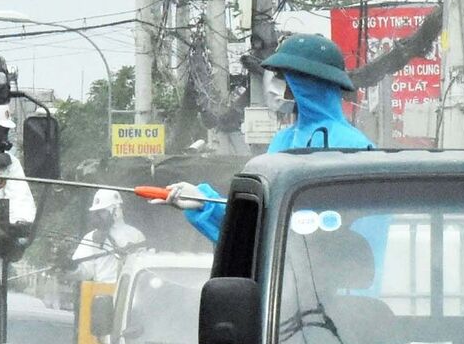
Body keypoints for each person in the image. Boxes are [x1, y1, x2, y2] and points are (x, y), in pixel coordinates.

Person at [157, 34, 374, 242]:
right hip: (284, 275)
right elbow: (258, 223)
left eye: (285, 79)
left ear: (308, 84)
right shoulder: (283, 141)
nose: (281, 87)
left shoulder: (354, 148)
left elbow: (363, 231)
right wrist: (204, 202)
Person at [69, 188, 144, 283]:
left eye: (101, 211)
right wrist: (69, 269)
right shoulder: (90, 238)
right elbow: (86, 271)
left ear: (115, 211)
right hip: (101, 293)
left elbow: (143, 268)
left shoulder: (135, 235)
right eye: (96, 212)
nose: (97, 216)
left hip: (128, 293)